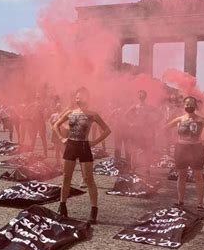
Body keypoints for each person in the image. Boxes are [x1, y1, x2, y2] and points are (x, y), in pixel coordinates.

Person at [53, 87, 111, 224]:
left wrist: (95, 142)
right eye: (77, 97)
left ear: (87, 98)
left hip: (84, 146)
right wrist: (61, 138)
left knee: (88, 178)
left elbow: (107, 130)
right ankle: (62, 206)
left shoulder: (92, 114)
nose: (78, 99)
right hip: (71, 145)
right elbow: (55, 125)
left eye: (81, 97)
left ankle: (94, 210)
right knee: (66, 177)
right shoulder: (70, 112)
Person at [165, 96, 204, 210]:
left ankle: (200, 203)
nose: (189, 106)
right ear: (183, 106)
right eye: (186, 103)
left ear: (195, 106)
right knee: (181, 175)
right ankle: (180, 201)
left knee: (198, 176)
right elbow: (165, 128)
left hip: (196, 149)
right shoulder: (180, 119)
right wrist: (172, 141)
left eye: (191, 103)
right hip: (181, 148)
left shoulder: (201, 120)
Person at [125, 90, 159, 178]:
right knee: (134, 151)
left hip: (146, 132)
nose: (141, 96)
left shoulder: (149, 107)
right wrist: (131, 123)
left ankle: (147, 169)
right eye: (139, 94)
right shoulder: (135, 107)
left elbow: (160, 115)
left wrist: (153, 123)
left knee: (147, 151)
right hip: (137, 131)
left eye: (142, 95)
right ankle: (133, 169)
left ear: (145, 96)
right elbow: (125, 116)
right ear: (138, 96)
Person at [49, 102, 64, 168]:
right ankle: (58, 163)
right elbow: (49, 121)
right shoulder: (53, 115)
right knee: (57, 149)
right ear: (56, 107)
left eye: (59, 106)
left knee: (62, 149)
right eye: (57, 106)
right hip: (55, 134)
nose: (58, 107)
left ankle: (64, 163)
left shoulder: (63, 114)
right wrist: (51, 127)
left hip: (61, 134)